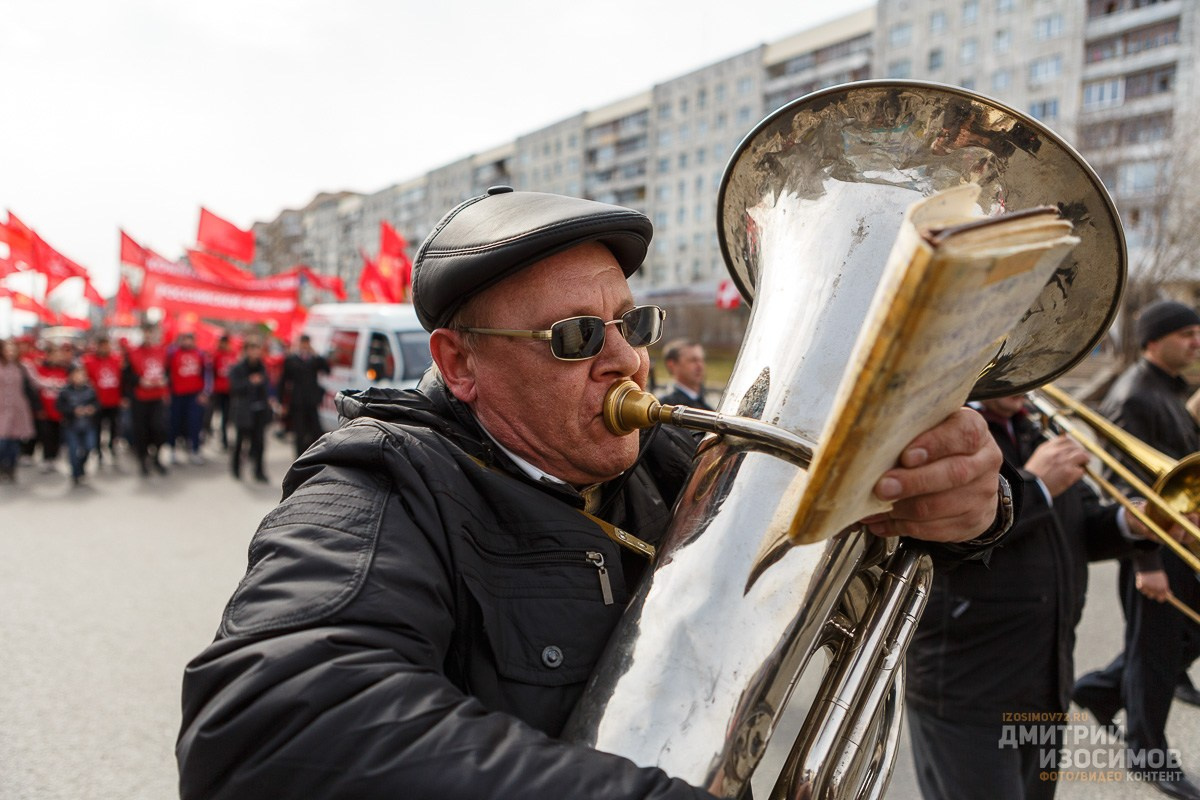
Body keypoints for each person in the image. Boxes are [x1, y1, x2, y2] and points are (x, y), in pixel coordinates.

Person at [177, 188, 1013, 799]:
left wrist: (961, 511)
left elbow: (859, 560)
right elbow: (270, 723)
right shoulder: (382, 484)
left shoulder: (676, 456)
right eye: (575, 337)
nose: (627, 361)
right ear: (460, 364)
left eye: (631, 322)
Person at [906, 392, 1152, 800]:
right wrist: (1035, 487)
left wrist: (1132, 523)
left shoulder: (1039, 430)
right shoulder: (939, 430)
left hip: (1044, 681)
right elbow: (938, 539)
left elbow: (1083, 528)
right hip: (967, 687)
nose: (1031, 375)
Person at [1072, 299, 1200, 800]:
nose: (1195, 342)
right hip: (1153, 553)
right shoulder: (1134, 396)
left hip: (1178, 540)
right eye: (1185, 334)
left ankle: (1099, 691)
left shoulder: (1173, 391)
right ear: (1152, 339)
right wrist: (1146, 564)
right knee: (1155, 654)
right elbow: (1116, 488)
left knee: (1175, 643)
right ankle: (1147, 751)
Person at [124, 325, 170, 476]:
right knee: (141, 431)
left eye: (151, 334)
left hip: (157, 397)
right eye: (145, 333)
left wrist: (165, 380)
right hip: (140, 398)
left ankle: (156, 456)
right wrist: (140, 381)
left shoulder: (162, 351)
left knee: (160, 428)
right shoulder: (132, 353)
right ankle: (143, 459)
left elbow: (168, 371)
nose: (148, 337)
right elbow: (126, 376)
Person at [228, 336, 272, 483]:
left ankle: (259, 471)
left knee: (259, 443)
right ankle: (236, 468)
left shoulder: (262, 367)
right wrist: (250, 382)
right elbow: (235, 388)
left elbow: (267, 387)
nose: (255, 353)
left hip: (260, 411)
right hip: (244, 411)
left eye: (257, 350)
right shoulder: (238, 368)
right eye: (252, 349)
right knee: (241, 442)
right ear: (247, 351)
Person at [279, 333, 330, 458]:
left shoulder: (314, 359)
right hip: (298, 401)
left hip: (312, 401)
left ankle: (313, 455)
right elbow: (283, 381)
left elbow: (327, 369)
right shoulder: (291, 360)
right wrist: (282, 402)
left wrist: (316, 354)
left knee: (316, 431)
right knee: (299, 432)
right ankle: (299, 458)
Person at [82, 336, 125, 465]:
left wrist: (123, 397)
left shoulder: (117, 360)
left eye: (107, 345)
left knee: (114, 426)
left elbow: (122, 379)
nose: (105, 348)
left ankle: (112, 446)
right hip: (97, 401)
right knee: (97, 427)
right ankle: (98, 450)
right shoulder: (88, 361)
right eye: (102, 346)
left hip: (114, 400)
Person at [167, 332, 208, 465]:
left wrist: (205, 392)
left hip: (194, 395)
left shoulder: (200, 354)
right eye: (185, 340)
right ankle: (173, 450)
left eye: (190, 340)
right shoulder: (173, 353)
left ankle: (195, 449)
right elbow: (166, 373)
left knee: (195, 423)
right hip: (177, 394)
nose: (187, 343)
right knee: (175, 423)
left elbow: (207, 374)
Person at [30, 342, 72, 473]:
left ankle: (54, 458)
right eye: (53, 355)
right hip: (45, 410)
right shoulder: (39, 370)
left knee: (58, 435)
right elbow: (34, 391)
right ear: (47, 356)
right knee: (46, 435)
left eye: (58, 355)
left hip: (60, 411)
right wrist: (38, 408)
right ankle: (47, 458)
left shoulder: (65, 370)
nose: (56, 357)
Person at [0, 338, 38, 483]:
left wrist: (56, 385)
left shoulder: (23, 366)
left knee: (15, 442)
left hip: (18, 409)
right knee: (2, 442)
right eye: (7, 349)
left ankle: (11, 468)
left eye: (12, 349)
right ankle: (3, 466)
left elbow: (36, 382)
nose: (10, 352)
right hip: (2, 409)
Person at [56, 364, 99, 486]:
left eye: (82, 374)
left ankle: (81, 465)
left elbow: (97, 404)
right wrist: (73, 410)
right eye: (77, 375)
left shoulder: (90, 390)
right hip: (71, 426)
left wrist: (92, 409)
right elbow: (59, 406)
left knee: (90, 446)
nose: (80, 377)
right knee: (73, 450)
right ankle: (75, 473)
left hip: (88, 425)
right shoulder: (65, 391)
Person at [657, 338, 711, 410]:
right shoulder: (664, 407)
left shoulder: (710, 402)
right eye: (693, 360)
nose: (700, 366)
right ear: (672, 365)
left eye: (701, 360)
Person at [206, 334, 236, 451]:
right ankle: (208, 432)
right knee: (211, 414)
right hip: (217, 390)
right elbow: (210, 372)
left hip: (229, 390)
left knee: (227, 416)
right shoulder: (215, 355)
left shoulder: (232, 354)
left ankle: (225, 439)